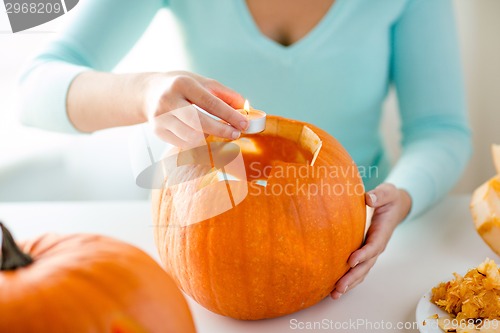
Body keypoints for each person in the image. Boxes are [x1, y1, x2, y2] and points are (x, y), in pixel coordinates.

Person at [17, 0, 471, 300]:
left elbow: (439, 128)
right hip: (205, 226)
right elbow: (33, 90)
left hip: (356, 232)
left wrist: (405, 193)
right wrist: (143, 92)